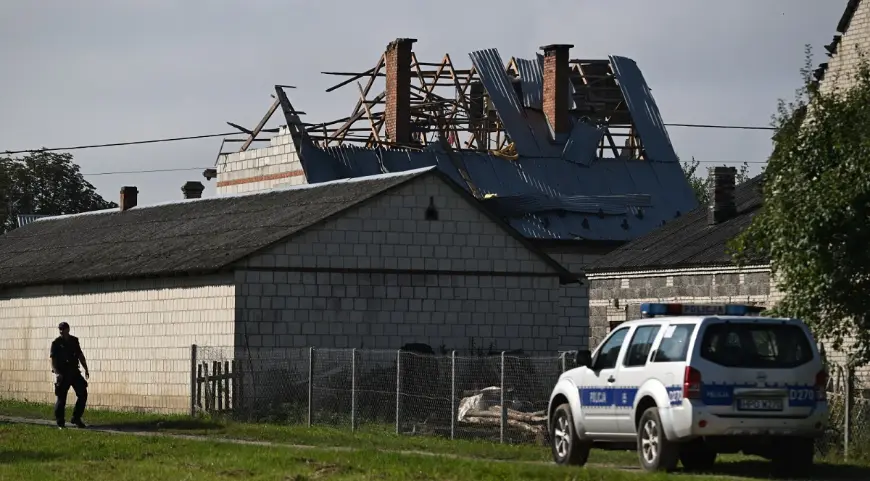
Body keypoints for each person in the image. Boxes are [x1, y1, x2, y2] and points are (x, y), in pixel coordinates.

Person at [50, 321, 90, 428]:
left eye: (63, 329)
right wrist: (57, 373)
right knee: (61, 398)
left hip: (74, 372)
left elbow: (80, 355)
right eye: (60, 329)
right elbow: (53, 361)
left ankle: (76, 418)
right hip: (63, 373)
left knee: (83, 394)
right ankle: (60, 423)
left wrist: (86, 368)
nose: (61, 331)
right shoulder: (56, 343)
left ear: (68, 329)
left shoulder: (74, 341)